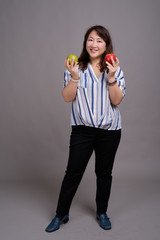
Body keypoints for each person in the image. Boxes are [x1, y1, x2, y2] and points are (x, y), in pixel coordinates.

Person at [45, 25, 126, 232]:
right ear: (85, 43)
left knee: (104, 173)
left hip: (109, 131)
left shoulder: (115, 68)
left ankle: (102, 212)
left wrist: (111, 77)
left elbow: (117, 100)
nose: (94, 44)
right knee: (73, 172)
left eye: (99, 40)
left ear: (106, 45)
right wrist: (74, 76)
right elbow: (67, 97)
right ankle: (61, 214)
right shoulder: (75, 67)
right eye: (90, 39)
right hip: (82, 130)